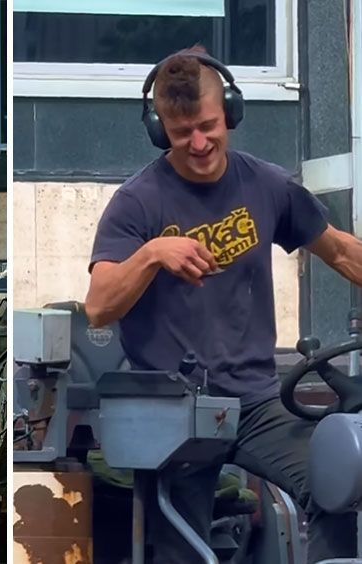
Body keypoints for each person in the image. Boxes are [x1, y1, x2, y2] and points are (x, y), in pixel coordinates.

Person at [85, 47, 362, 563]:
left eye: (209, 125)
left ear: (230, 111)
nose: (199, 142)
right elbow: (99, 307)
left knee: (340, 483)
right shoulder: (137, 203)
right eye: (181, 131)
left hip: (259, 401)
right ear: (158, 128)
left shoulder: (267, 185)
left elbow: (342, 252)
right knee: (179, 551)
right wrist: (150, 254)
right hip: (176, 411)